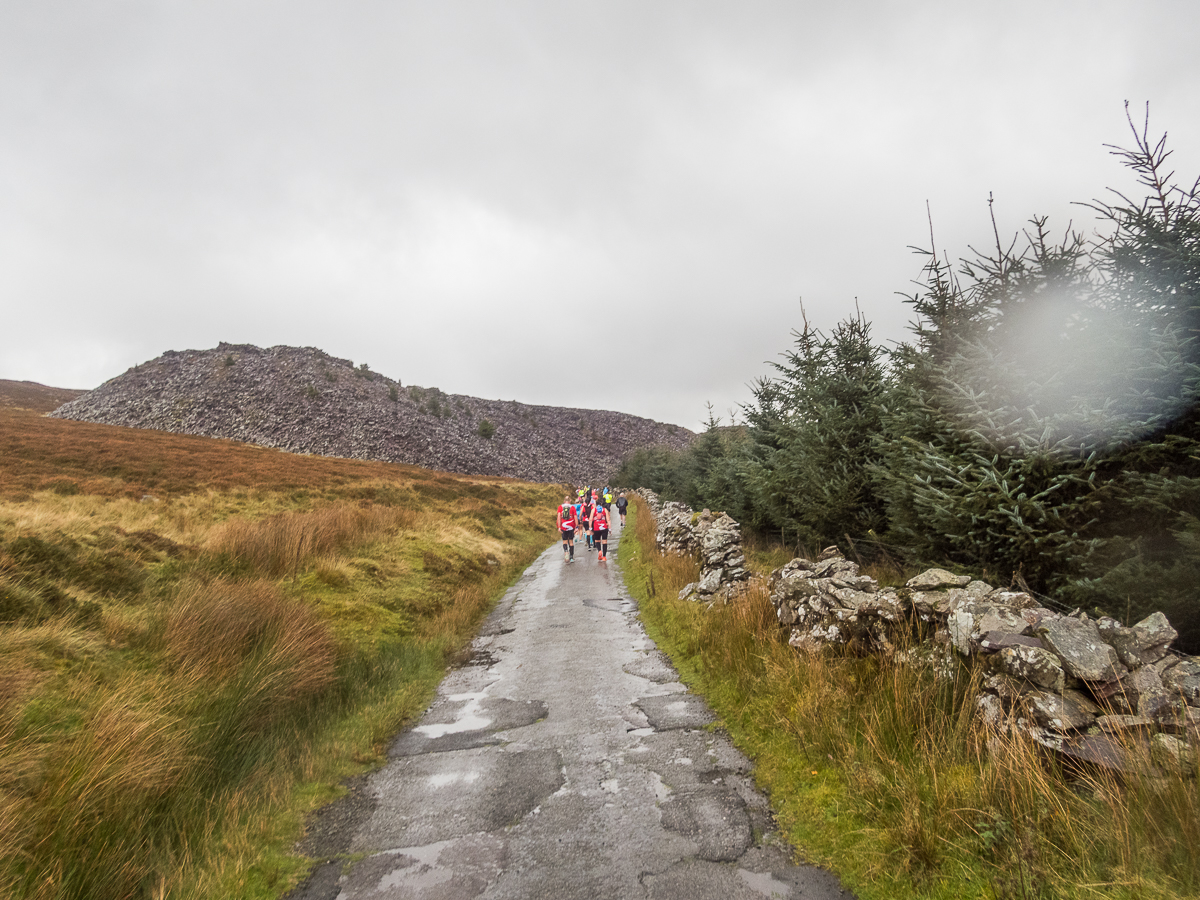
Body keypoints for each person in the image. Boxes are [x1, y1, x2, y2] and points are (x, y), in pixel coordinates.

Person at [557, 495, 577, 562]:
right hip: (571, 526)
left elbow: (559, 517)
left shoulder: (560, 507)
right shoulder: (572, 507)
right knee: (571, 542)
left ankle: (566, 551)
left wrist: (559, 527)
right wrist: (576, 526)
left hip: (563, 526)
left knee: (565, 541)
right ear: (570, 500)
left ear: (564, 501)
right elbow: (575, 518)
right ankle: (571, 557)